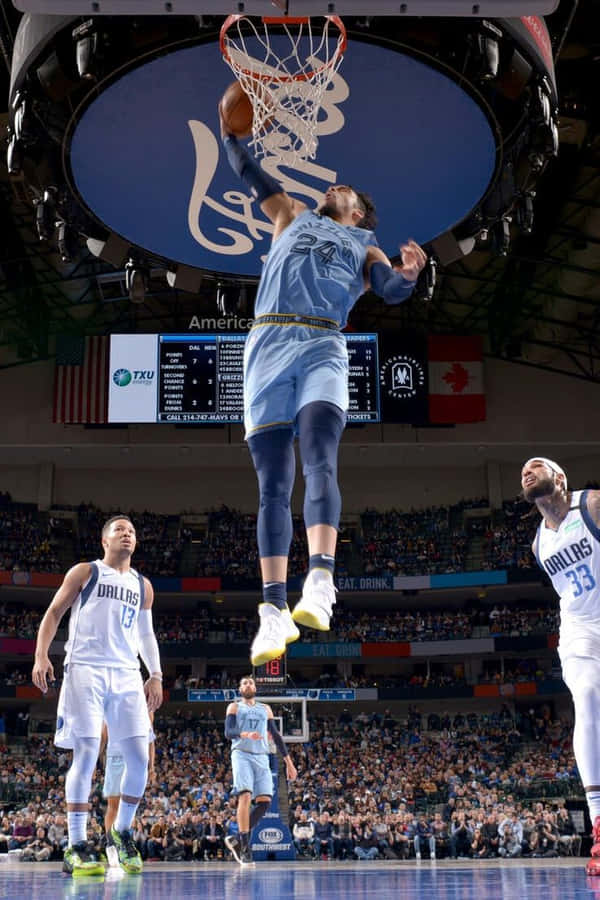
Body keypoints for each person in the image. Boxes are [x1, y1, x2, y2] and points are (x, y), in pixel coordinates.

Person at [219, 102, 427, 666]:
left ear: (359, 212)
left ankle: (320, 582)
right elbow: (246, 169)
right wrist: (229, 132)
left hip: (322, 344)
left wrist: (409, 276)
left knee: (318, 457)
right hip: (265, 344)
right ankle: (269, 612)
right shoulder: (288, 212)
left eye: (348, 190)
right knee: (271, 484)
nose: (336, 185)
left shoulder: (368, 246)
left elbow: (389, 292)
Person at [31, 515, 163, 877]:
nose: (127, 535)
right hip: (85, 667)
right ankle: (75, 845)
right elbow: (54, 611)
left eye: (132, 531)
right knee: (87, 750)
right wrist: (41, 654)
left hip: (125, 674)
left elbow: (146, 635)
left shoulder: (142, 585)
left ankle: (121, 832)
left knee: (139, 757)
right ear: (105, 540)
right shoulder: (85, 572)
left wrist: (155, 674)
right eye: (120, 530)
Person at [521, 457, 600, 875]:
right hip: (579, 630)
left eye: (535, 466)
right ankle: (599, 823)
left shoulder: (592, 506)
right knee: (585, 697)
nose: (526, 472)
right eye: (523, 472)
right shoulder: (538, 544)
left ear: (561, 479)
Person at [224, 675, 297, 866]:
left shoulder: (265, 708)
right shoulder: (234, 707)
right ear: (240, 689)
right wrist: (244, 734)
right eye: (244, 682)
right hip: (241, 753)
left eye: (250, 682)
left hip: (262, 755)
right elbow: (228, 732)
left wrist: (289, 762)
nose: (248, 684)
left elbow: (276, 735)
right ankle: (246, 849)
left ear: (255, 688)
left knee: (265, 802)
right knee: (245, 796)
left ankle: (238, 841)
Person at [100, 713, 156, 868]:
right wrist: (94, 760)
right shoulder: (112, 698)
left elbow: (150, 740)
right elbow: (103, 735)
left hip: (137, 756)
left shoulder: (146, 709)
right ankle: (111, 847)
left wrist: (152, 768)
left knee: (129, 808)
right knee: (114, 806)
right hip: (116, 756)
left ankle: (123, 844)